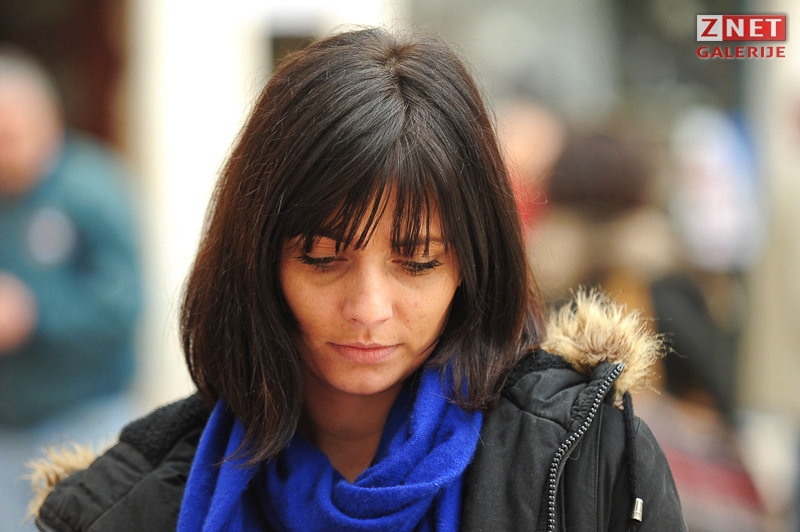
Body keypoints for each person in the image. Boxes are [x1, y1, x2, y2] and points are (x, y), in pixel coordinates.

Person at [29, 27, 685, 531]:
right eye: (322, 258)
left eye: (417, 262)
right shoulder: (124, 504)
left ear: (473, 265)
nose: (369, 307)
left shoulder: (585, 462)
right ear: (258, 262)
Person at [0, 47, 142, 532]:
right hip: (7, 427)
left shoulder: (94, 189)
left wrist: (35, 314)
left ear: (49, 122)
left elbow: (123, 304)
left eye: (12, 136)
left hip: (85, 417)